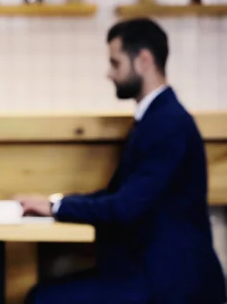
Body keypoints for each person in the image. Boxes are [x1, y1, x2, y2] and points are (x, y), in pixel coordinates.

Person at [16, 17, 226, 304]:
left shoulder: (167, 123)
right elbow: (119, 196)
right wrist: (54, 204)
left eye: (115, 63)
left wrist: (56, 206)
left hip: (169, 283)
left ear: (143, 60)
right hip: (150, 273)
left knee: (42, 299)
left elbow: (126, 207)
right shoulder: (156, 118)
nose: (108, 73)